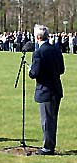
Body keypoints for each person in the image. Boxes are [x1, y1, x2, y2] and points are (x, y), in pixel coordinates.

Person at [29, 25, 65, 155]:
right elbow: (61, 69)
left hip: (45, 90)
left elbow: (34, 73)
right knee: (52, 119)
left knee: (47, 120)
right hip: (56, 88)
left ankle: (48, 147)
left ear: (38, 37)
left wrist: (30, 70)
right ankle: (50, 144)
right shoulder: (56, 50)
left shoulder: (38, 52)